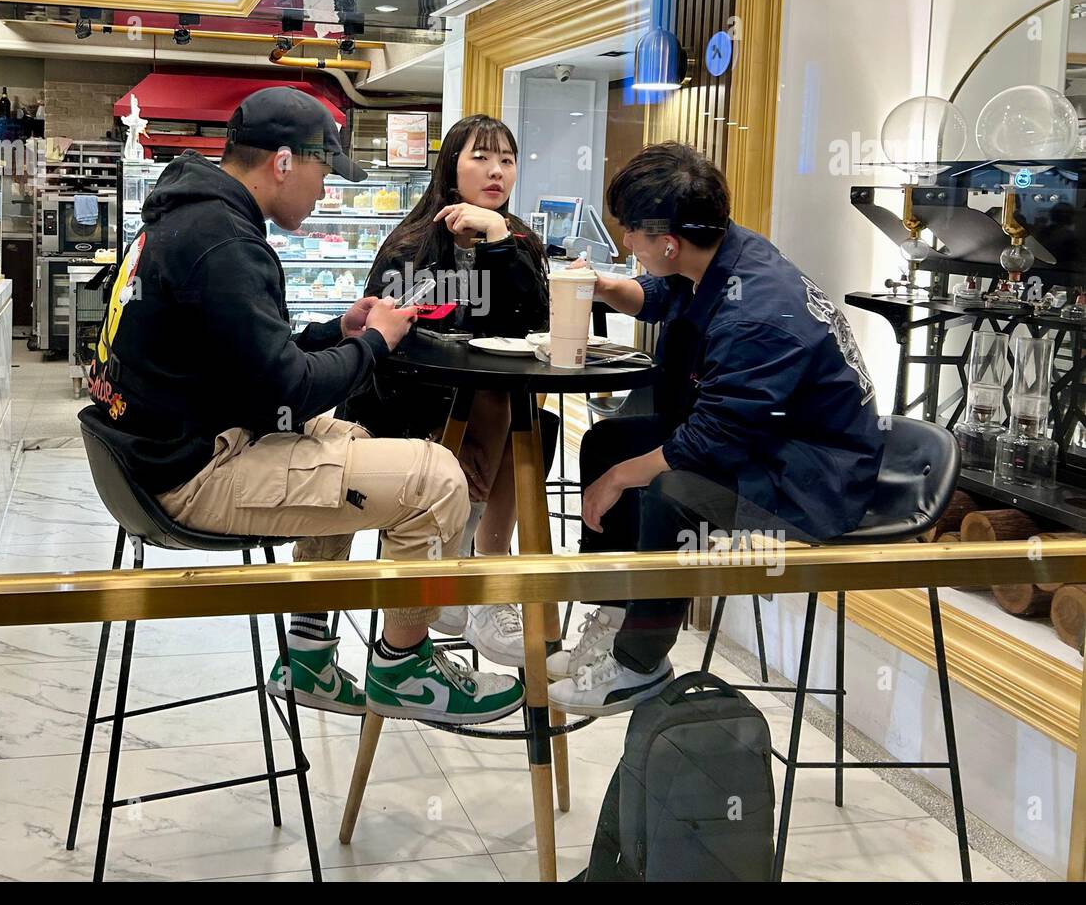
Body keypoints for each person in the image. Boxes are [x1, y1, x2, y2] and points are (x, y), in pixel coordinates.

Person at [88, 87, 524, 727]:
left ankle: (308, 657)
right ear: (285, 163)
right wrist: (375, 343)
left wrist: (335, 335)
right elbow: (285, 390)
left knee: (349, 436)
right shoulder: (224, 242)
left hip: (150, 455)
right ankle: (405, 668)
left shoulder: (187, 217)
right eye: (323, 172)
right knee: (438, 480)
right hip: (187, 474)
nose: (325, 192)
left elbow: (248, 362)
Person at [547, 143, 885, 717]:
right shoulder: (720, 251)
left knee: (670, 490)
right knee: (607, 443)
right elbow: (661, 294)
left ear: (669, 242)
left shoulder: (756, 315)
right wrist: (601, 286)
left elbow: (708, 443)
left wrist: (615, 483)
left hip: (813, 475)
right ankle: (613, 612)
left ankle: (638, 662)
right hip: (766, 441)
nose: (627, 244)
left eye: (632, 233)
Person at [346, 114, 553, 667]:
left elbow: (535, 325)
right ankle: (472, 568)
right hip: (408, 403)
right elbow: (383, 331)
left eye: (507, 160)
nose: (496, 171)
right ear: (450, 166)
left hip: (486, 402)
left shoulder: (519, 239)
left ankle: (474, 572)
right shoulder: (412, 241)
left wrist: (496, 240)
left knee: (527, 420)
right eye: (481, 157)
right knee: (505, 412)